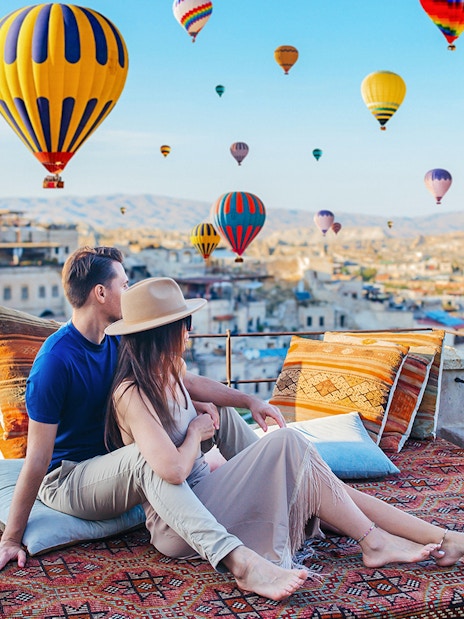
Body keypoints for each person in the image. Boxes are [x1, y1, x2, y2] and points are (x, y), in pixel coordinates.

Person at [103, 276, 464, 591]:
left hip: (209, 496)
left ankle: (441, 538)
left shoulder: (169, 368)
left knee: (324, 484)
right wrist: (196, 433)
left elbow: (198, 383)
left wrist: (249, 399)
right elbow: (172, 471)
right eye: (184, 324)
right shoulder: (132, 393)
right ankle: (374, 541)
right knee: (288, 443)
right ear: (164, 333)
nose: (190, 331)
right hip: (181, 524)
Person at [0, 246, 312, 601]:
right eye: (125, 284)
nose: (130, 292)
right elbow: (38, 459)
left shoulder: (116, 338)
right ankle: (240, 562)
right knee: (146, 458)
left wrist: (249, 400)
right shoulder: (55, 362)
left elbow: (184, 378)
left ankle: (297, 486)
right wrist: (11, 538)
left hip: (114, 467)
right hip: (70, 479)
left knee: (206, 412)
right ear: (100, 293)